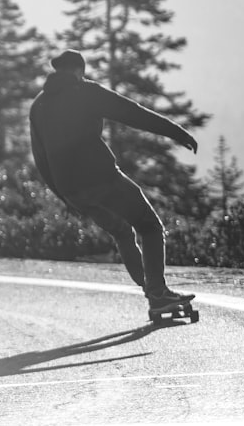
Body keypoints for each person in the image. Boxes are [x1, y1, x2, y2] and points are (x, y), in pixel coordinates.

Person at [29, 49, 199, 311]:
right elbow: (134, 113)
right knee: (149, 226)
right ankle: (157, 294)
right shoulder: (85, 92)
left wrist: (65, 196)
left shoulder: (38, 106)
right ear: (78, 70)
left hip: (71, 190)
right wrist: (176, 132)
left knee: (121, 230)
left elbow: (40, 159)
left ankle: (153, 291)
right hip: (101, 177)